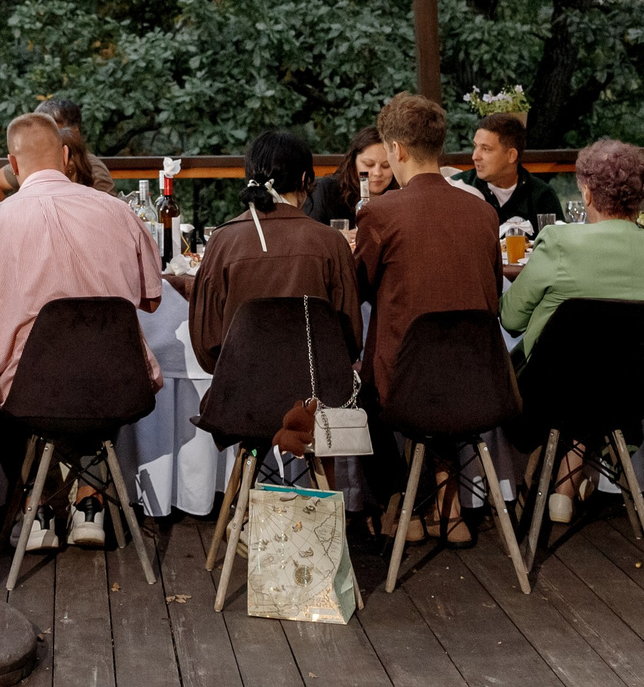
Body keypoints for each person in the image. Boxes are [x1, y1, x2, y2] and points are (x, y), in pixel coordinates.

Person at [0, 111, 162, 548]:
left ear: (13, 165)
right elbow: (153, 298)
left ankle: (42, 504)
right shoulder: (121, 213)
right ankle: (90, 500)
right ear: (67, 156)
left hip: (32, 390)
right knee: (100, 369)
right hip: (117, 385)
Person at [501, 139, 644, 520]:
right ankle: (567, 484)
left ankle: (549, 486)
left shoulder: (559, 241)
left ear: (585, 190)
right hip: (634, 392)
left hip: (553, 391)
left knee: (573, 372)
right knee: (595, 371)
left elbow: (511, 320)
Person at [353, 93, 502, 541]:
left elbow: (358, 288)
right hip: (478, 379)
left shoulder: (380, 213)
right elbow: (493, 291)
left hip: (405, 384)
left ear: (396, 150)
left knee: (366, 389)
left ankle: (404, 509)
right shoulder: (482, 212)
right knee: (438, 367)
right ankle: (448, 507)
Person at [185, 130, 362, 371]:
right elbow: (350, 341)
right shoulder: (331, 242)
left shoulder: (221, 241)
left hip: (241, 393)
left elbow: (207, 346)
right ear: (304, 179)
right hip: (315, 394)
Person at [460, 112, 563, 227]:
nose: (475, 156)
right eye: (475, 146)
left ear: (511, 156)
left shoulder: (542, 197)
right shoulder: (459, 189)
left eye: (486, 149)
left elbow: (557, 243)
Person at [305, 126, 392, 228]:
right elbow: (309, 234)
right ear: (353, 162)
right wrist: (339, 236)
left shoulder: (401, 196)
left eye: (386, 166)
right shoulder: (327, 191)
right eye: (369, 164)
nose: (377, 173)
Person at [36, 95, 115, 190]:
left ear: (74, 132)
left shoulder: (93, 170)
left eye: (52, 132)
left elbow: (107, 202)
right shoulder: (37, 162)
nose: (44, 138)